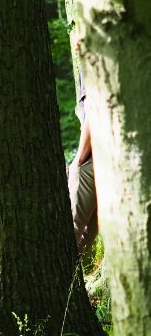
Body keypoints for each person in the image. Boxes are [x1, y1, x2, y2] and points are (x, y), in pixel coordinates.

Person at [67, 68, 98, 259]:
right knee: (89, 234)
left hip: (91, 161)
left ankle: (63, 283)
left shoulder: (93, 62)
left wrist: (79, 160)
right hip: (117, 163)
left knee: (73, 230)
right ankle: (72, 283)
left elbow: (93, 113)